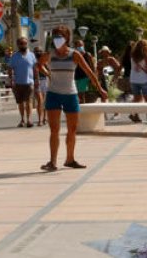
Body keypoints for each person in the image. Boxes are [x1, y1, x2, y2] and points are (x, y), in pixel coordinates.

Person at [39, 26, 106, 171]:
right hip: (53, 94)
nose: (57, 38)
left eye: (60, 35)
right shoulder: (49, 54)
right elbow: (38, 64)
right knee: (54, 129)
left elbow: (89, 72)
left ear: (67, 38)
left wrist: (100, 89)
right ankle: (52, 162)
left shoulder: (74, 54)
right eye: (55, 35)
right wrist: (47, 74)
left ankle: (70, 159)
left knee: (72, 129)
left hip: (71, 94)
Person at [7, 36, 37, 128]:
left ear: (27, 44)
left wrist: (37, 80)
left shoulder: (31, 55)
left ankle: (29, 120)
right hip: (18, 83)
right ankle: (22, 119)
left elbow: (35, 68)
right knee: (20, 103)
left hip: (29, 82)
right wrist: (11, 79)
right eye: (21, 43)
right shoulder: (14, 56)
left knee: (29, 101)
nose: (23, 45)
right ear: (18, 45)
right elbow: (10, 68)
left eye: (24, 43)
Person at [72, 37, 96, 102]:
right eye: (78, 45)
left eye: (81, 45)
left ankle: (82, 110)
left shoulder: (87, 54)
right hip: (75, 77)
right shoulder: (73, 55)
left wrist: (93, 78)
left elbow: (92, 66)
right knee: (75, 95)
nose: (80, 47)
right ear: (75, 46)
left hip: (84, 77)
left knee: (81, 95)